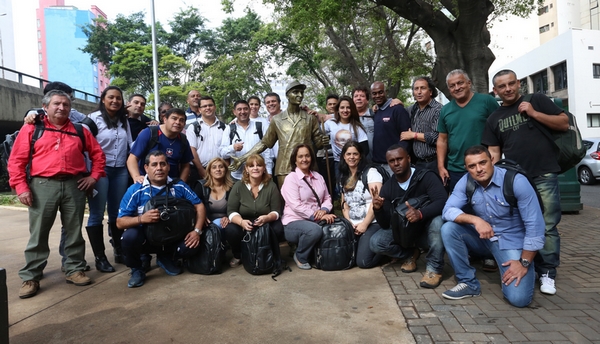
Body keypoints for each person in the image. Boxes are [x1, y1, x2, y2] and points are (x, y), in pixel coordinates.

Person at [8, 90, 106, 298]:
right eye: (56, 104)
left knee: (73, 230)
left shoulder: (81, 130)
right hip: (42, 185)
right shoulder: (32, 128)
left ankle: (74, 269)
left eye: (66, 104)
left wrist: (93, 177)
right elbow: (16, 161)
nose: (62, 107)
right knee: (39, 233)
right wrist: (21, 187)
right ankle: (31, 276)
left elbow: (98, 155)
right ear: (45, 107)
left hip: (74, 185)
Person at [482, 69, 568, 295]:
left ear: (519, 83)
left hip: (544, 173)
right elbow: (494, 152)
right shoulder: (494, 118)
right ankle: (528, 264)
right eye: (502, 86)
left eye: (511, 84)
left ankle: (548, 272)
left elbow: (563, 123)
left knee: (547, 224)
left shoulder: (536, 100)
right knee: (522, 225)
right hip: (515, 180)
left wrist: (533, 113)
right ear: (495, 91)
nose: (508, 89)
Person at [440, 146, 545, 307]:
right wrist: (476, 220)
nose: (479, 169)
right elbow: (447, 210)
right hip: (485, 237)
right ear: (466, 168)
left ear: (492, 160)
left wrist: (524, 262)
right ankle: (468, 283)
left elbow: (535, 227)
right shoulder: (466, 181)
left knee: (519, 299)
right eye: (472, 166)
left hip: (511, 242)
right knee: (448, 229)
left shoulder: (516, 181)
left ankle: (530, 265)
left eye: (483, 162)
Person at [116, 151, 206, 288]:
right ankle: (137, 269)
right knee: (129, 237)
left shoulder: (179, 186)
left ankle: (166, 258)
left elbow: (199, 206)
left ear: (168, 167)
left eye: (163, 164)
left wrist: (197, 231)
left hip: (173, 236)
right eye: (154, 164)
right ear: (146, 168)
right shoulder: (136, 189)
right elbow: (120, 222)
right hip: (146, 237)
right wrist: (141, 219)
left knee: (192, 244)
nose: (159, 168)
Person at [370, 144, 447, 288]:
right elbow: (386, 225)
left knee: (438, 222)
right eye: (392, 161)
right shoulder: (388, 188)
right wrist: (378, 209)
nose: (396, 163)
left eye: (399, 159)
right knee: (376, 242)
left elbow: (443, 201)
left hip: (427, 230)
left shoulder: (426, 176)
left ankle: (434, 269)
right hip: (406, 234)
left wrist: (421, 213)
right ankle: (409, 254)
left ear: (409, 158)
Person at [230, 81, 329, 187]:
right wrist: (242, 159)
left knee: (310, 199)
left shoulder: (310, 118)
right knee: (286, 202)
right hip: (284, 169)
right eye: (295, 92)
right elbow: (264, 143)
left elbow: (318, 144)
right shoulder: (277, 120)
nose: (300, 95)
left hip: (308, 167)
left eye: (301, 92)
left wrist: (322, 141)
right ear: (287, 95)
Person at [86, 86, 133, 271]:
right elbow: (85, 146)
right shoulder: (92, 119)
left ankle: (119, 250)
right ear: (103, 99)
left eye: (118, 98)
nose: (115, 101)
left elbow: (131, 144)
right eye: (111, 97)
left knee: (117, 212)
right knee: (97, 213)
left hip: (120, 169)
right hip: (99, 171)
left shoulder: (124, 120)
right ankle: (100, 258)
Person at [436, 69, 499, 193]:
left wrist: (495, 163)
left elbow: (499, 130)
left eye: (460, 83)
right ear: (449, 89)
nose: (457, 87)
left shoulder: (487, 101)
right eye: (452, 86)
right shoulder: (445, 110)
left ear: (469, 83)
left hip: (484, 166)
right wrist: (441, 166)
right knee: (463, 208)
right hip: (456, 169)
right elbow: (442, 140)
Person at [281, 144, 336, 270]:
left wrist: (324, 210)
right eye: (300, 156)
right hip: (293, 222)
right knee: (314, 230)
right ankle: (301, 256)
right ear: (295, 160)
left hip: (316, 217)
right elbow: (296, 205)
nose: (304, 159)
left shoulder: (318, 176)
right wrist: (316, 216)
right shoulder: (291, 179)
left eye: (307, 155)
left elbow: (327, 198)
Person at [224, 154, 284, 268]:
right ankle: (238, 255)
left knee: (278, 228)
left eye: (259, 165)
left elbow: (276, 212)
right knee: (231, 230)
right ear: (246, 169)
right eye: (251, 166)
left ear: (264, 168)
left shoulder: (271, 186)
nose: (255, 168)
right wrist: (241, 222)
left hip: (265, 220)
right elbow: (231, 211)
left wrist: (267, 218)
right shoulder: (238, 186)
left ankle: (268, 253)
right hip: (244, 221)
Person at [338, 141, 383, 268]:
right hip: (353, 225)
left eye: (355, 154)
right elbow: (344, 203)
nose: (351, 157)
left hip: (372, 223)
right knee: (347, 260)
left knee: (363, 262)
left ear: (361, 156)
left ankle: (388, 251)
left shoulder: (371, 173)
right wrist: (349, 223)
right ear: (344, 157)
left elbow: (376, 202)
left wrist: (364, 224)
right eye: (348, 154)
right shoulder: (343, 176)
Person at [127, 108, 193, 184]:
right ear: (165, 119)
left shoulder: (183, 140)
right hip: (147, 182)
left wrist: (181, 184)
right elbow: (132, 158)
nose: (178, 122)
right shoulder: (149, 133)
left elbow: (186, 165)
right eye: (174, 119)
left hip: (172, 184)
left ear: (184, 124)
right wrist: (136, 177)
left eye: (181, 120)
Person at [220, 100, 273, 181]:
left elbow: (267, 151)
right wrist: (232, 148)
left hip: (258, 175)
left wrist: (269, 171)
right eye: (239, 109)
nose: (243, 112)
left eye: (245, 109)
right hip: (237, 177)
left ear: (249, 110)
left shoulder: (260, 126)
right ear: (234, 112)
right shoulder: (229, 128)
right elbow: (222, 153)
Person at [401, 77, 442, 173]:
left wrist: (413, 135)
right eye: (416, 89)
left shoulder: (439, 110)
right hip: (417, 163)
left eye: (423, 88)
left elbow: (436, 137)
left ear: (430, 91)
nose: (419, 92)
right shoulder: (411, 109)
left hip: (434, 162)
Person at [370, 81, 411, 175]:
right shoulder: (376, 111)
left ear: (386, 92)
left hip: (393, 165)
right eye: (374, 93)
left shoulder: (397, 109)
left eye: (380, 92)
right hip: (377, 164)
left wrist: (399, 159)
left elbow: (406, 137)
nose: (377, 96)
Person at [324, 96, 369, 175]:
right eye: (342, 107)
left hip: (353, 164)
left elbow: (365, 149)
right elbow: (316, 133)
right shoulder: (330, 123)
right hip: (337, 162)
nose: (345, 110)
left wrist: (355, 160)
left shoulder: (357, 127)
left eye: (348, 107)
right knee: (339, 185)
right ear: (338, 109)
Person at [186, 96, 226, 182]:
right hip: (197, 171)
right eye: (204, 106)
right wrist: (201, 170)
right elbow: (192, 149)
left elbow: (227, 151)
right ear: (199, 110)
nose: (208, 108)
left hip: (219, 171)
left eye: (210, 105)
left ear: (214, 107)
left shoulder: (224, 128)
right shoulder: (193, 127)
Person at [194, 157, 234, 229]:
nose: (218, 169)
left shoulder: (233, 186)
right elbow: (194, 205)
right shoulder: (201, 186)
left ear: (225, 170)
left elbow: (237, 208)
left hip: (227, 222)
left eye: (221, 167)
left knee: (232, 230)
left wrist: (230, 217)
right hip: (207, 222)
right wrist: (202, 217)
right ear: (209, 171)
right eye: (214, 167)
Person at [352, 85, 375, 160]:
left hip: (375, 158)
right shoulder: (347, 117)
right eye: (356, 96)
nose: (358, 98)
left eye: (362, 96)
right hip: (354, 159)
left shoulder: (374, 114)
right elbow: (327, 117)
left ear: (367, 100)